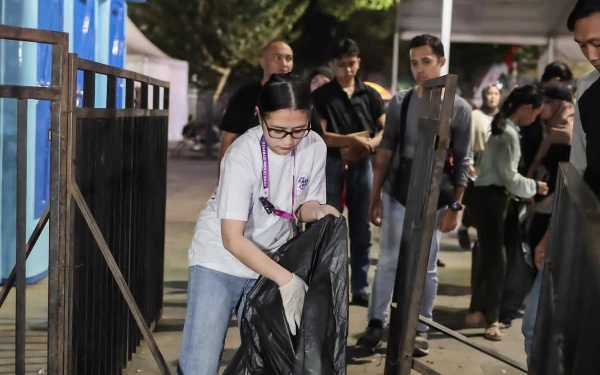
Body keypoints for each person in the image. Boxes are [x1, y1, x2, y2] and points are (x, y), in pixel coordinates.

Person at [177, 74, 340, 375]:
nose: (288, 141)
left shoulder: (314, 145)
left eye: (298, 130)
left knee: (266, 357)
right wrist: (286, 280)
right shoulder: (241, 154)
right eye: (277, 131)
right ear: (259, 117)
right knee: (201, 362)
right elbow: (232, 239)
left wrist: (318, 211)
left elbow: (302, 206)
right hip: (220, 260)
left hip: (270, 260)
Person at [355, 34, 472, 356]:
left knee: (428, 264)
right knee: (389, 261)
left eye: (426, 61)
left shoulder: (458, 108)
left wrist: (456, 206)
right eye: (414, 62)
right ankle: (376, 322)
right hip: (397, 190)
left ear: (441, 62)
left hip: (435, 194)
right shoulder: (402, 101)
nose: (420, 69)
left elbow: (463, 159)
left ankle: (421, 326)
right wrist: (375, 195)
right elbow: (386, 149)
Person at [522, 0, 600, 364]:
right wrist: (552, 233)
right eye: (583, 45)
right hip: (584, 233)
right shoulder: (586, 89)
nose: (591, 53)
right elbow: (578, 170)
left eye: (598, 42)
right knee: (537, 325)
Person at [466, 85, 549, 341]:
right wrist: (536, 186)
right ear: (527, 108)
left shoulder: (505, 129)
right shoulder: (508, 134)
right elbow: (510, 177)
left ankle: (478, 310)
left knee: (487, 256)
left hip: (489, 197)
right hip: (493, 199)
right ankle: (492, 318)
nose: (536, 118)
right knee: (497, 261)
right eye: (536, 113)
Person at [312, 38, 386, 307]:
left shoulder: (370, 95)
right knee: (331, 227)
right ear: (332, 65)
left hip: (363, 165)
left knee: (361, 229)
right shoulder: (322, 96)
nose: (347, 70)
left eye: (351, 64)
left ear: (359, 62)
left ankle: (360, 287)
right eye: (341, 65)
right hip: (332, 165)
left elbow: (385, 129)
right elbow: (320, 135)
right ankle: (331, 284)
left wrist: (370, 144)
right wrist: (353, 140)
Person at [217, 41, 293, 178]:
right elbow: (227, 138)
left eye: (289, 58)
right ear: (262, 62)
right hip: (250, 175)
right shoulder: (245, 95)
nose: (284, 64)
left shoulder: (298, 97)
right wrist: (221, 180)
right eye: (277, 58)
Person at [458, 84, 502, 250]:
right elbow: (467, 140)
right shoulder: (475, 115)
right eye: (489, 93)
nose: (492, 97)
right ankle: (465, 227)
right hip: (478, 163)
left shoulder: (503, 116)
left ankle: (482, 235)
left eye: (495, 93)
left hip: (497, 166)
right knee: (475, 201)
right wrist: (468, 163)